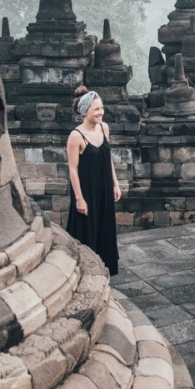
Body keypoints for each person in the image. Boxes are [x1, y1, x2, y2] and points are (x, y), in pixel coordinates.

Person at [66, 85, 122, 275]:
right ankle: (86, 270)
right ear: (85, 111)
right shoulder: (76, 136)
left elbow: (108, 158)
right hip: (86, 190)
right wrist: (79, 198)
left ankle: (105, 267)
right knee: (87, 228)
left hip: (105, 187)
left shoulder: (104, 128)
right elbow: (73, 170)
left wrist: (115, 183)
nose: (101, 112)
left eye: (101, 108)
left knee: (104, 226)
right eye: (96, 109)